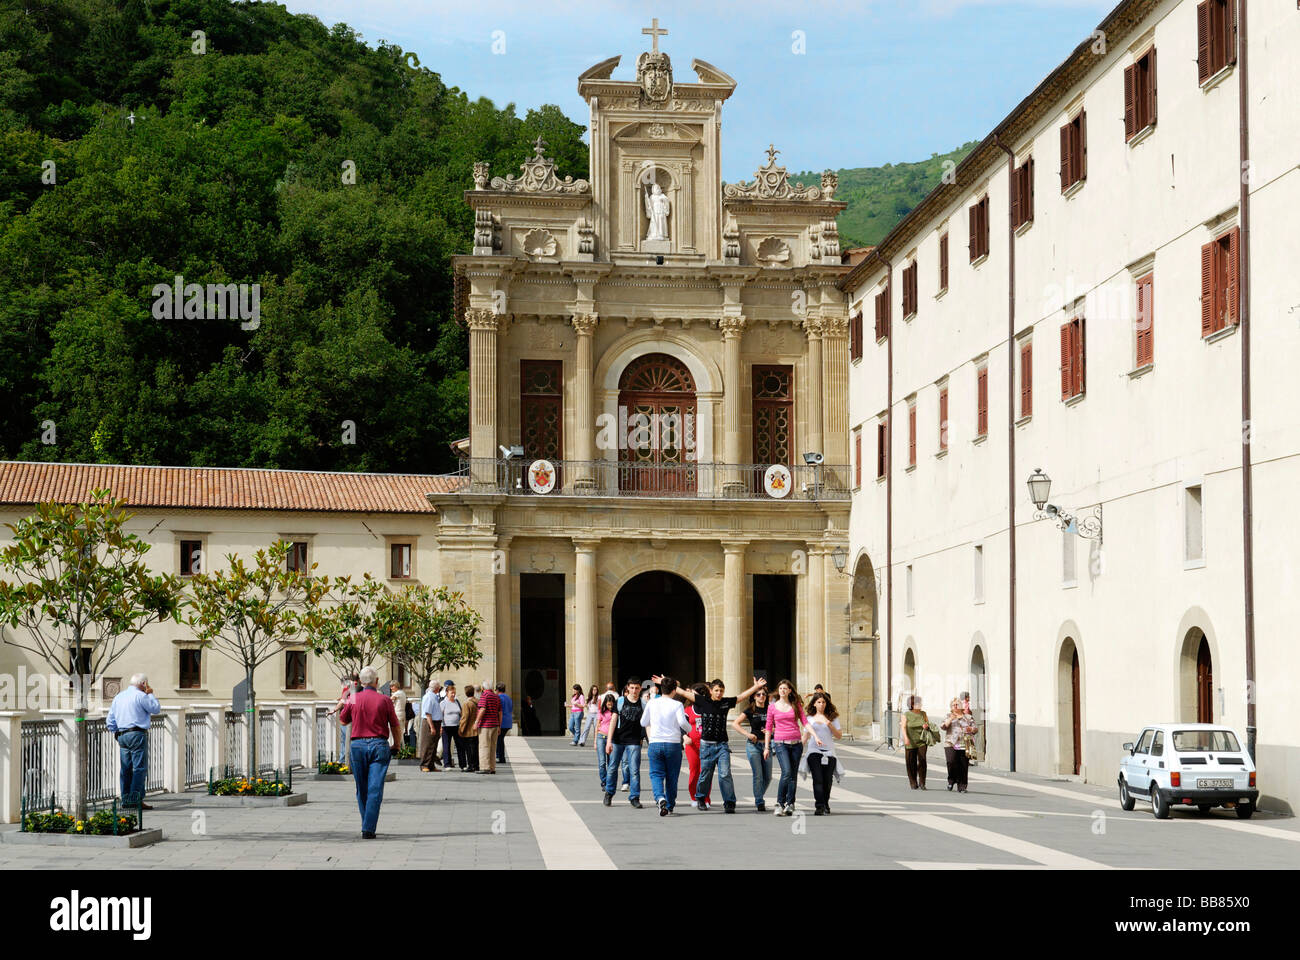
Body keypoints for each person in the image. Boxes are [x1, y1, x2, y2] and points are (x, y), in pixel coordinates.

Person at [674, 675, 766, 814]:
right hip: (707, 745)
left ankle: (729, 802)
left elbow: (741, 696)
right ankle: (701, 798)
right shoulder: (702, 701)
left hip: (722, 745)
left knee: (725, 774)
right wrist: (665, 683)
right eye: (716, 690)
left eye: (721, 691)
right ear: (710, 691)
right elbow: (683, 692)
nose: (719, 693)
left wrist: (756, 687)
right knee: (705, 774)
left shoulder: (725, 702)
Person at [339, 666, 403, 838]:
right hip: (379, 745)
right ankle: (368, 827)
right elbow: (395, 726)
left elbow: (343, 721)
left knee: (362, 788)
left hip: (358, 745)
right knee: (375, 788)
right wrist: (397, 744)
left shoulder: (353, 698)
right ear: (376, 682)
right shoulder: (384, 700)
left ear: (361, 682)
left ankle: (366, 824)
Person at [105, 673, 160, 810]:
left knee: (126, 769)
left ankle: (126, 800)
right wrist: (151, 693)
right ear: (143, 684)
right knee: (139, 768)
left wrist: (116, 732)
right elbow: (156, 709)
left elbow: (110, 720)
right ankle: (136, 799)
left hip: (122, 735)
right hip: (137, 734)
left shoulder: (119, 696)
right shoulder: (141, 696)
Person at [641, 676, 692, 816]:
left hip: (655, 742)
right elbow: (682, 722)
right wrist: (689, 729)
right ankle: (669, 805)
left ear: (661, 689)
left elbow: (643, 722)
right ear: (674, 690)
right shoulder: (677, 705)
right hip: (673, 743)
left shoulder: (652, 703)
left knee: (656, 774)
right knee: (672, 776)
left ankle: (660, 798)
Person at [764, 679, 806, 816]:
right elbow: (769, 728)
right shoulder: (772, 707)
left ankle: (790, 803)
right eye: (781, 688)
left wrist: (814, 735)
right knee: (786, 772)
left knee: (793, 775)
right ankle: (780, 803)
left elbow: (805, 722)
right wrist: (766, 747)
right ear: (778, 690)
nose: (783, 690)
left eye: (785, 688)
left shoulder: (795, 705)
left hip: (796, 743)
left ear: (789, 691)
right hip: (780, 743)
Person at [603, 677, 645, 808]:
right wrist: (608, 741)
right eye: (632, 688)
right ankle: (609, 793)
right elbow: (613, 721)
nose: (634, 690)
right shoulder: (620, 701)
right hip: (618, 740)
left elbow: (648, 723)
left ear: (640, 689)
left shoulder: (643, 704)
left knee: (634, 770)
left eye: (637, 688)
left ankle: (634, 797)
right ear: (627, 688)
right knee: (612, 768)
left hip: (634, 741)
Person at [801, 691, 844, 815]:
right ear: (814, 704)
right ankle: (819, 805)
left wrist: (828, 723)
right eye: (819, 702)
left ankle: (825, 803)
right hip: (814, 751)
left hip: (829, 752)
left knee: (827, 780)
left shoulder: (832, 717)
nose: (821, 704)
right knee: (817, 778)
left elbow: (839, 735)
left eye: (824, 702)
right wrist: (798, 749)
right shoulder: (809, 718)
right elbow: (805, 736)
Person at [733, 686, 772, 812]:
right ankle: (759, 801)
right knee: (758, 775)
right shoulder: (750, 709)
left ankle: (758, 795)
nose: (762, 697)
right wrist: (748, 734)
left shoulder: (770, 709)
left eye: (764, 695)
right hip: (753, 746)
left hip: (767, 745)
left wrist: (772, 731)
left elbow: (778, 725)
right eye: (759, 694)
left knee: (768, 776)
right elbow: (735, 723)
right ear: (754, 697)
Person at [682, 684, 712, 809]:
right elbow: (681, 725)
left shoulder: (709, 708)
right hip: (692, 745)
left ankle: (705, 798)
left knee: (705, 772)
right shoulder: (688, 710)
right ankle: (694, 796)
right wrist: (684, 737)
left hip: (707, 744)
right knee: (694, 771)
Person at [941, 696, 978, 793]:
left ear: (961, 706)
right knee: (951, 762)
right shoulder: (948, 716)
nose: (955, 706)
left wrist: (971, 729)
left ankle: (962, 786)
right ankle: (951, 780)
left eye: (957, 704)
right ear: (951, 707)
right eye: (953, 705)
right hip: (951, 743)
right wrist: (950, 719)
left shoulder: (968, 717)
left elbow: (975, 728)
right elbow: (943, 727)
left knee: (963, 765)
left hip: (964, 743)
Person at [902, 695, 935, 790]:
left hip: (922, 740)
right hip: (910, 740)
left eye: (920, 703)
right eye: (918, 703)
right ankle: (913, 782)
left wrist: (926, 726)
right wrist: (906, 738)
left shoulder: (923, 714)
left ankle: (922, 782)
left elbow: (927, 724)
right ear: (912, 704)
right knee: (910, 761)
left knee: (922, 760)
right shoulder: (906, 714)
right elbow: (903, 727)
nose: (920, 704)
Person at [473, 678, 501, 774]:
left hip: (485, 725)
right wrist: (499, 726)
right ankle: (492, 767)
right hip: (495, 724)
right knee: (493, 747)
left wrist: (476, 722)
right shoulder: (496, 696)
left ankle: (485, 767)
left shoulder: (485, 695)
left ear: (483, 687)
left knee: (484, 746)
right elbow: (500, 712)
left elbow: (482, 709)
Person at [594, 692, 618, 794]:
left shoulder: (616, 713)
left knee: (611, 762)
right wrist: (595, 741)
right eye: (608, 704)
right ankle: (604, 782)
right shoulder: (601, 712)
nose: (610, 705)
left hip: (611, 738)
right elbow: (597, 726)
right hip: (601, 737)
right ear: (605, 704)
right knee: (602, 762)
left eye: (612, 704)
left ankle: (609, 782)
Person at [419, 680, 443, 772]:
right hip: (430, 722)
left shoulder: (434, 696)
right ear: (437, 688)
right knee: (427, 744)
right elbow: (428, 713)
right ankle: (424, 764)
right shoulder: (429, 697)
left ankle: (431, 764)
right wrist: (432, 727)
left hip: (435, 722)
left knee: (433, 744)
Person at [440, 682, 463, 771]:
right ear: (447, 693)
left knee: (460, 745)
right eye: (451, 693)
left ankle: (462, 764)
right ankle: (447, 764)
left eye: (454, 693)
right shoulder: (443, 703)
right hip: (446, 727)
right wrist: (441, 727)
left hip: (456, 726)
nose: (453, 694)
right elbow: (440, 715)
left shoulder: (457, 701)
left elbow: (461, 713)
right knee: (446, 746)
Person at [459, 684, 480, 772]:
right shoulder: (477, 701)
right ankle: (476, 765)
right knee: (475, 748)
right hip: (476, 729)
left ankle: (471, 765)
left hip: (469, 729)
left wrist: (461, 729)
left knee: (469, 749)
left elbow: (465, 718)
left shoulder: (466, 703)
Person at [496, 683, 513, 764]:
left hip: (502, 721)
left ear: (497, 690)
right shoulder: (508, 698)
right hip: (508, 721)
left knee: (499, 739)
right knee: (500, 739)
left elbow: (499, 711)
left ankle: (501, 757)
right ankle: (500, 756)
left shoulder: (498, 698)